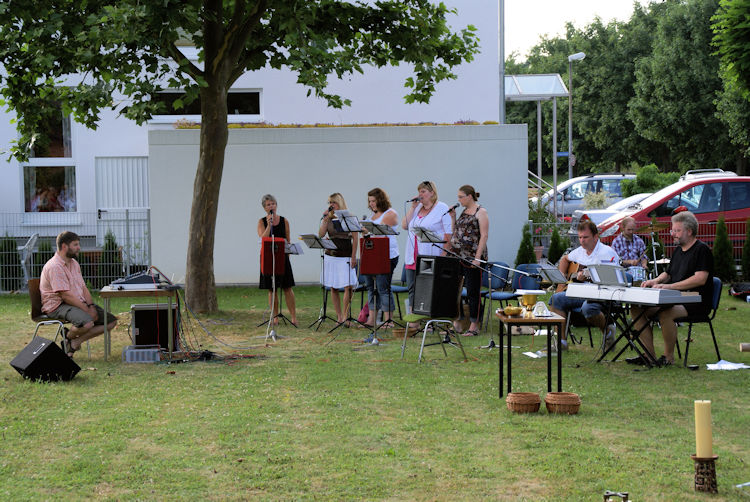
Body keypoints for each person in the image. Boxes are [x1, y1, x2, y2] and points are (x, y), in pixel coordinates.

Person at [627, 211, 714, 367]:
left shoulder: (702, 250)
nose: (673, 234)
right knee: (636, 308)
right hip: (675, 297)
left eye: (677, 230)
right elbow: (668, 273)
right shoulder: (679, 250)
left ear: (689, 231)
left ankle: (668, 357)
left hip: (696, 300)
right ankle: (649, 356)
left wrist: (669, 286)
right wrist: (654, 281)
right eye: (672, 230)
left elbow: (700, 279)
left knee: (667, 312)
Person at [39, 231, 118, 357]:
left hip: (75, 302)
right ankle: (68, 337)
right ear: (64, 246)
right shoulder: (55, 266)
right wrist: (86, 310)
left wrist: (91, 306)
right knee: (87, 322)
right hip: (57, 306)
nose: (79, 248)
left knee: (111, 322)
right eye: (75, 244)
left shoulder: (74, 263)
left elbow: (83, 287)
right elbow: (65, 296)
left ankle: (72, 341)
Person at [549, 220, 620, 350]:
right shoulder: (580, 251)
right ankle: (561, 342)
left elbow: (612, 278)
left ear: (595, 237)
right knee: (555, 299)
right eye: (580, 237)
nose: (582, 241)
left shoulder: (606, 252)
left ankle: (608, 331)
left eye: (585, 237)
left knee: (588, 309)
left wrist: (589, 276)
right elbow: (565, 259)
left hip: (602, 294)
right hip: (580, 293)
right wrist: (562, 277)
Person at [401, 180, 452, 329]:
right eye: (419, 192)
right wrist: (412, 208)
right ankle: (414, 320)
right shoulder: (417, 209)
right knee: (413, 288)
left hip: (431, 254)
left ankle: (430, 320)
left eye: (423, 191)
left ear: (432, 193)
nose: (420, 195)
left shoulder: (441, 208)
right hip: (413, 254)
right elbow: (404, 225)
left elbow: (448, 234)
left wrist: (443, 255)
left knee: (428, 288)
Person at [449, 185, 489, 336]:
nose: (458, 199)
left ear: (469, 196)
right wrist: (453, 218)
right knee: (454, 289)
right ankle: (458, 322)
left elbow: (484, 236)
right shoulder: (463, 212)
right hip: (457, 256)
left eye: (461, 197)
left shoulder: (481, 212)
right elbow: (456, 232)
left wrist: (477, 258)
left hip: (473, 257)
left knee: (473, 291)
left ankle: (474, 325)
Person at [362, 188, 399, 334]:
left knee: (383, 287)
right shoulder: (373, 215)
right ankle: (371, 319)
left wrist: (367, 230)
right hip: (372, 254)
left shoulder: (390, 213)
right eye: (369, 201)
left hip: (387, 255)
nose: (371, 204)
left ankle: (388, 319)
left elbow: (378, 231)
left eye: (374, 201)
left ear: (380, 200)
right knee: (371, 287)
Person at [257, 194, 297, 326]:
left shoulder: (284, 220)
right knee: (271, 288)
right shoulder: (261, 222)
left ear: (276, 205)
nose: (271, 206)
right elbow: (263, 238)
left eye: (273, 203)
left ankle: (293, 317)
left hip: (282, 258)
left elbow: (288, 240)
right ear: (264, 208)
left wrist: (287, 258)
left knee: (287, 287)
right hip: (268, 258)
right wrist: (269, 225)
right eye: (268, 205)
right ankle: (274, 317)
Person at [318, 192, 359, 326]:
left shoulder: (349, 217)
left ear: (339, 203)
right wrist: (325, 220)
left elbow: (355, 237)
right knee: (333, 287)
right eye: (330, 202)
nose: (331, 205)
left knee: (348, 286)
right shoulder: (328, 218)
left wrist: (354, 256)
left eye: (333, 202)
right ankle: (339, 317)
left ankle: (346, 316)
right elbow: (321, 234)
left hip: (345, 254)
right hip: (331, 255)